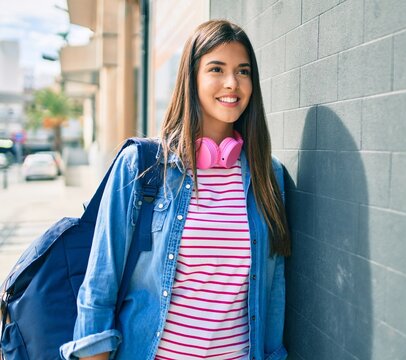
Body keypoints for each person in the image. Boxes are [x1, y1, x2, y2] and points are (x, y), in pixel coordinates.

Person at [60, 19, 291, 360]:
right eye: (217, 69)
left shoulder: (268, 176)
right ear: (192, 77)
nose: (232, 82)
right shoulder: (141, 166)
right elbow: (100, 283)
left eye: (243, 71)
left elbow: (274, 291)